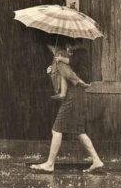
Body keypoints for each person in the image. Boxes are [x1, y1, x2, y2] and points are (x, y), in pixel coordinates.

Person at [31, 37, 104, 174]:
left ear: (74, 44)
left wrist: (60, 62)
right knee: (79, 131)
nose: (68, 49)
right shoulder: (74, 55)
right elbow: (66, 74)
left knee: (57, 129)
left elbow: (69, 74)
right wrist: (54, 70)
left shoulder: (79, 53)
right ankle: (97, 161)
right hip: (78, 94)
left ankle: (50, 163)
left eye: (69, 46)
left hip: (73, 94)